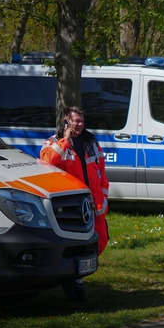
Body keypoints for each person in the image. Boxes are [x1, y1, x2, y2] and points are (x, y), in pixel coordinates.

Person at [41, 106, 109, 302]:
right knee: (77, 246)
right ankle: (75, 281)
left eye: (81, 121)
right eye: (75, 121)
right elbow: (46, 161)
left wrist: (102, 202)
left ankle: (74, 275)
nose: (79, 125)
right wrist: (65, 140)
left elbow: (101, 174)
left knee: (101, 241)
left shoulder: (91, 142)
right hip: (72, 207)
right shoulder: (54, 142)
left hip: (94, 206)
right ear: (66, 121)